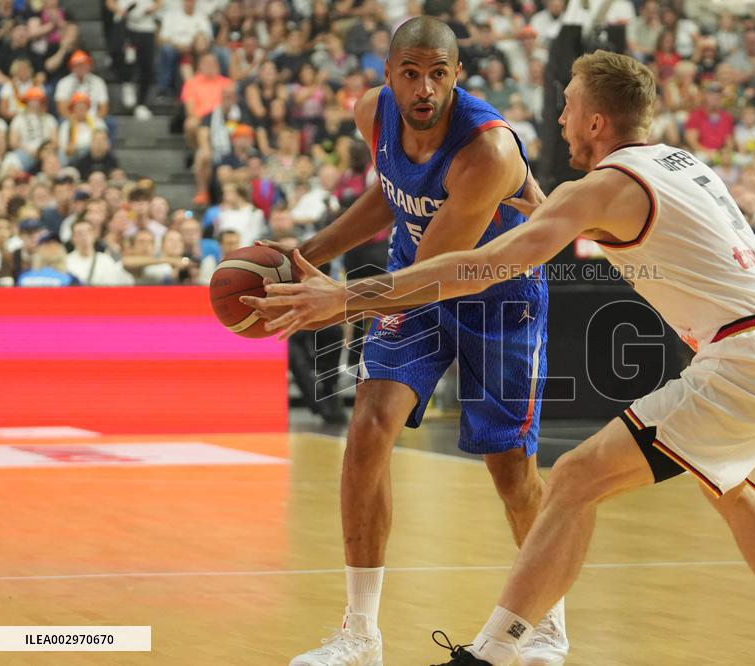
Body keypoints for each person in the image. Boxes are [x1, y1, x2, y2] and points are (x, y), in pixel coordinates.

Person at [247, 50, 755, 666]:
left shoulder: (602, 185)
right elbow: (643, 232)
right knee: (732, 490)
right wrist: (547, 211)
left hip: (751, 358)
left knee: (570, 480)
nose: (561, 118)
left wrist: (345, 297)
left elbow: (477, 266)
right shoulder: (679, 164)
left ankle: (488, 653)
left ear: (595, 122)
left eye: (568, 105)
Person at [253, 17, 565, 666]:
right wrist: (305, 255)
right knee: (368, 426)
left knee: (511, 472)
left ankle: (547, 627)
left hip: (494, 298)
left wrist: (339, 299)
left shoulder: (488, 153)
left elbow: (432, 273)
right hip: (413, 283)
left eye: (439, 73)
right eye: (411, 73)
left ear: (458, 76)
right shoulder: (375, 114)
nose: (424, 87)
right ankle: (359, 636)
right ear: (388, 75)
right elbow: (390, 195)